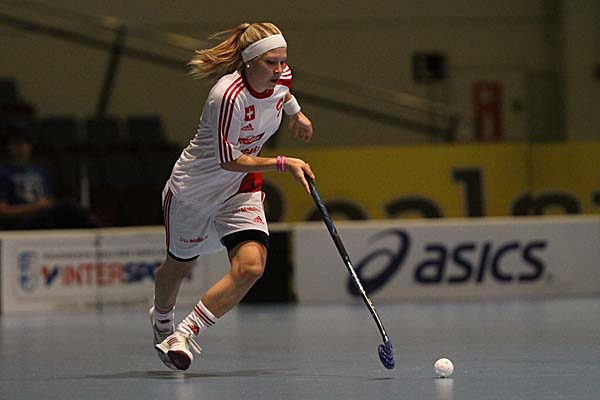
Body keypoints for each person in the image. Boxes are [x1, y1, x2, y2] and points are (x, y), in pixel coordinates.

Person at [150, 22, 315, 371]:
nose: (280, 69)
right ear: (250, 61)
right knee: (178, 266)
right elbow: (228, 159)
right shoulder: (227, 96)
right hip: (194, 190)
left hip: (240, 188)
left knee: (251, 267)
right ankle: (162, 319)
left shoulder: (281, 78)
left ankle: (184, 334)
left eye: (283, 61)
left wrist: (297, 114)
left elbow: (284, 94)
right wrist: (282, 162)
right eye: (271, 62)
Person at [0, 123, 97, 230]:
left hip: (44, 219)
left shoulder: (38, 172)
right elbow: (3, 211)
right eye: (16, 144)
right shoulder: (3, 173)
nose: (21, 148)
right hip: (21, 224)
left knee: (68, 211)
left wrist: (45, 206)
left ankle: (96, 232)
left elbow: (49, 201)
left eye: (25, 143)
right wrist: (36, 206)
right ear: (7, 147)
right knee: (68, 207)